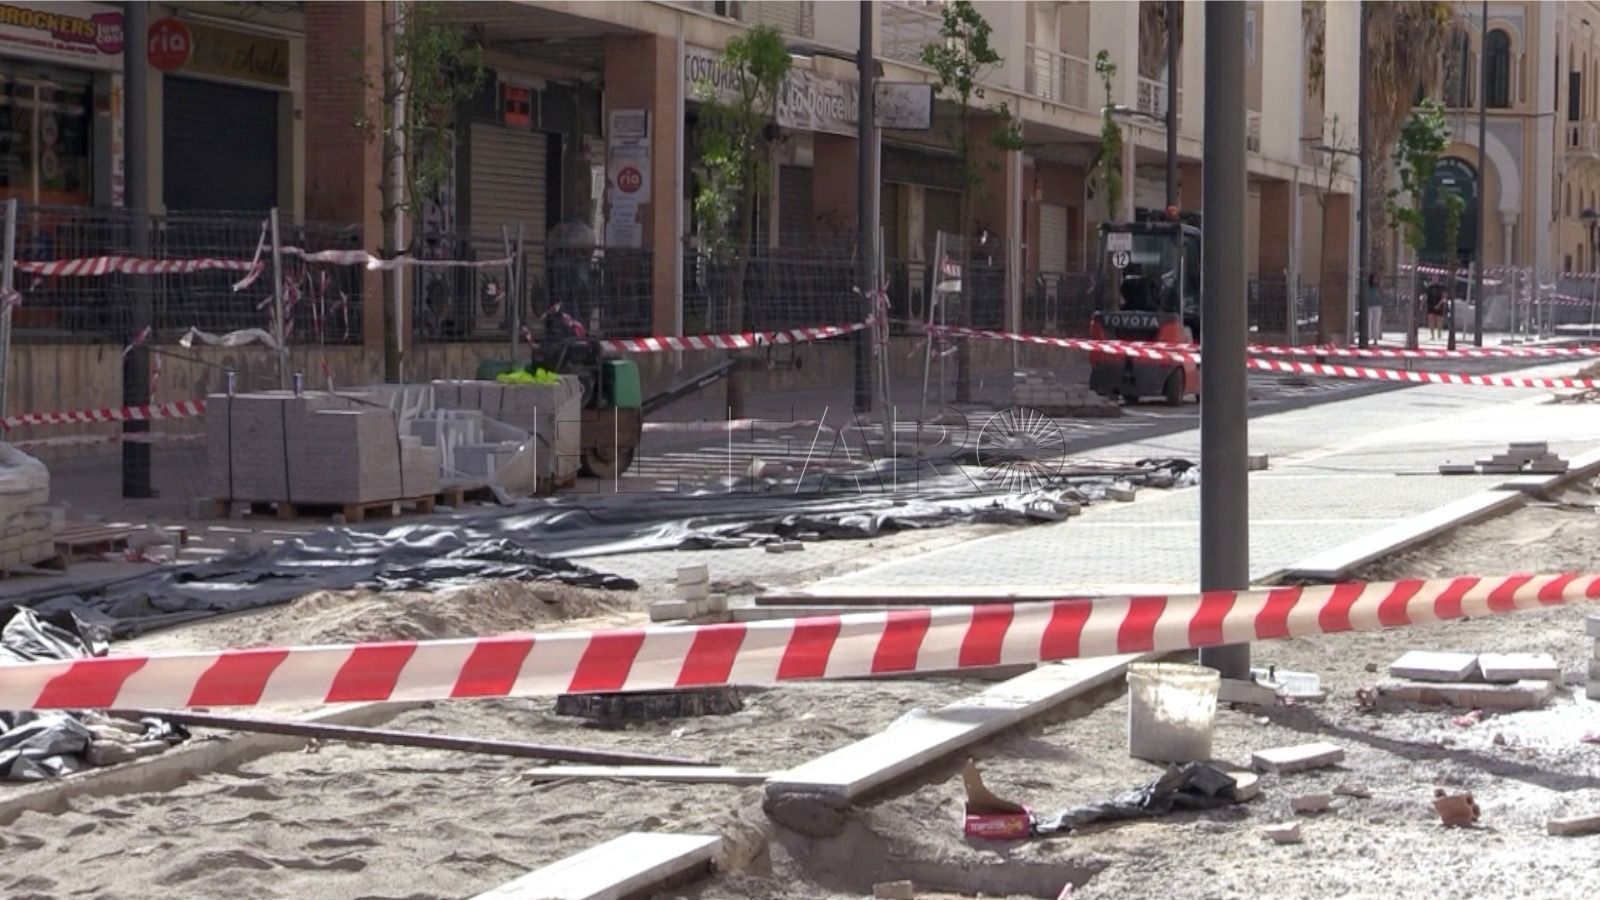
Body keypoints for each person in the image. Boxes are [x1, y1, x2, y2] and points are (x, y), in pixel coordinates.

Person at [1366, 273, 1383, 344]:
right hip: (1369, 305)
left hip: (1377, 305)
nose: (1375, 280)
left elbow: (1382, 294)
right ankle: (1368, 337)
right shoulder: (1367, 287)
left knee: (1376, 322)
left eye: (1376, 278)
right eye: (1374, 278)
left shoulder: (1378, 286)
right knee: (1369, 322)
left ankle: (1375, 338)